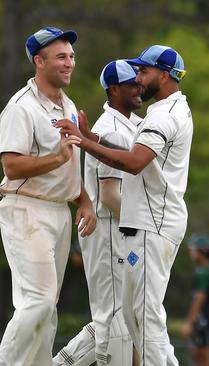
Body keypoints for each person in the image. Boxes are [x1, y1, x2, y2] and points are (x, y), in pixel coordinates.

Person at [56, 44, 193, 366]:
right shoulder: (169, 111)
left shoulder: (162, 115)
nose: (139, 81)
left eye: (143, 73)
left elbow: (134, 163)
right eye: (133, 78)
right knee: (129, 318)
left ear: (164, 74)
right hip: (141, 224)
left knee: (139, 318)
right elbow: (126, 163)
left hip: (150, 223)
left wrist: (85, 140)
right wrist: (94, 139)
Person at [0, 26, 97, 365]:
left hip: (58, 212)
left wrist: (82, 197)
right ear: (39, 62)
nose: (69, 62)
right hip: (26, 209)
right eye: (61, 57)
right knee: (37, 301)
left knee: (48, 308)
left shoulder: (67, 105)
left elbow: (67, 166)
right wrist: (55, 158)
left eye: (71, 56)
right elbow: (11, 166)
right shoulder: (21, 107)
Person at [53, 59, 143, 366]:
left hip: (120, 230)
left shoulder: (130, 125)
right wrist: (146, 225)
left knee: (116, 315)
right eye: (132, 83)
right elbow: (108, 195)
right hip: (107, 228)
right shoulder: (108, 127)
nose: (139, 87)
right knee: (115, 319)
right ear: (114, 90)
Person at [182, 234, 209, 366]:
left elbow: (199, 298)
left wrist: (189, 323)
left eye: (194, 249)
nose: (192, 252)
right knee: (198, 354)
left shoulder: (203, 272)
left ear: (202, 252)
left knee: (207, 357)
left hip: (205, 320)